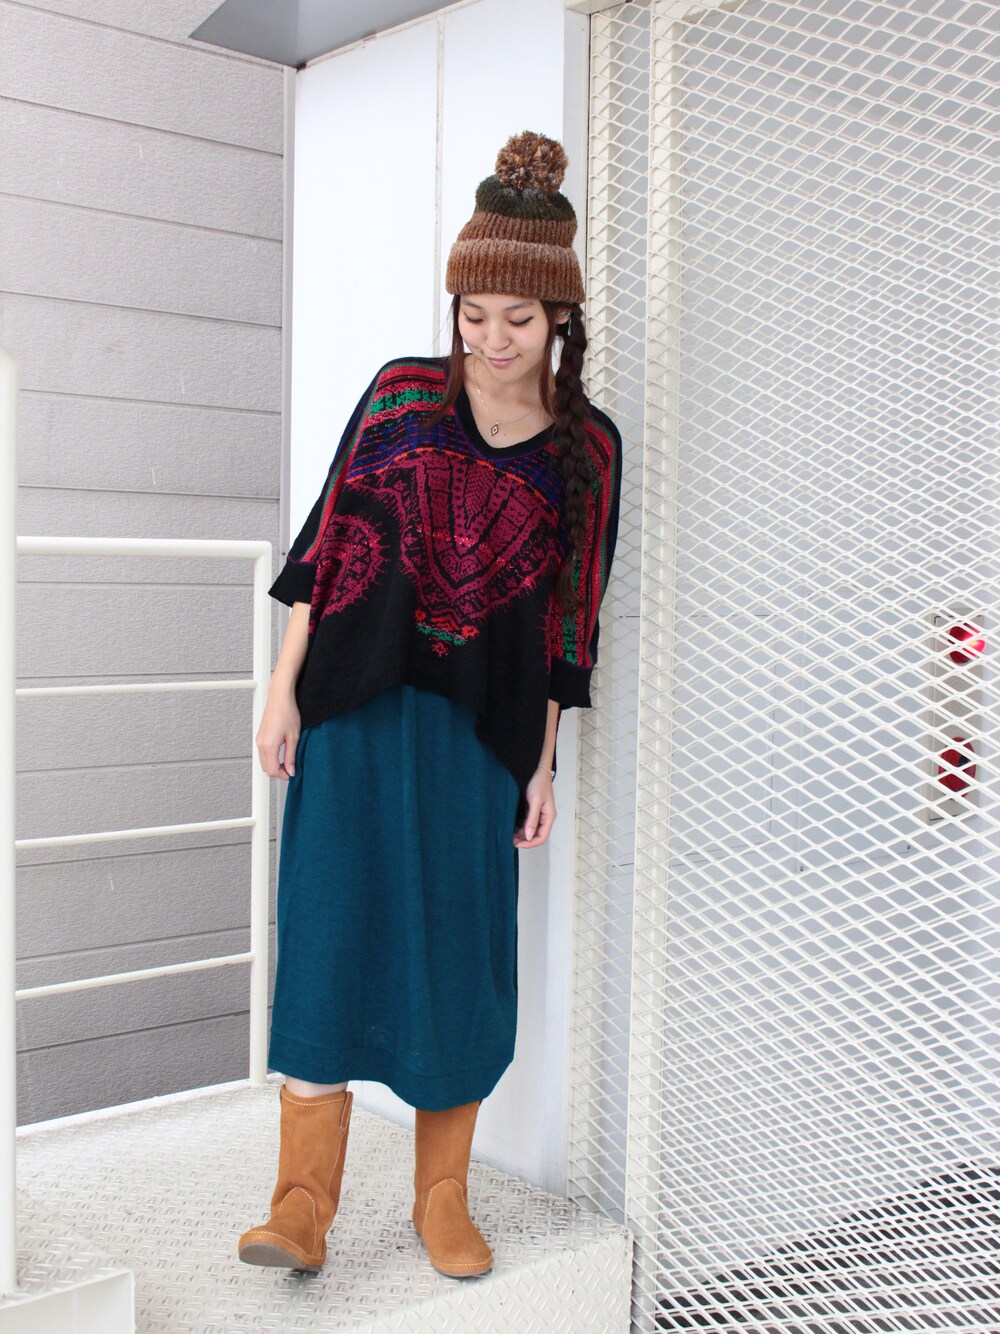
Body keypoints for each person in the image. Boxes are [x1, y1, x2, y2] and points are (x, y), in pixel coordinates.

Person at [236, 130, 623, 1281]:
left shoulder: (587, 453)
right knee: (329, 928)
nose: (491, 338)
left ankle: (440, 1196)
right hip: (353, 712)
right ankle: (300, 1203)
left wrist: (541, 762)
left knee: (458, 946)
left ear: (560, 319)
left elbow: (568, 627)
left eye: (518, 317)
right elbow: (326, 543)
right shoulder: (403, 394)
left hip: (476, 737)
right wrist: (281, 687)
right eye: (474, 312)